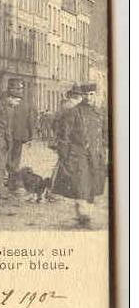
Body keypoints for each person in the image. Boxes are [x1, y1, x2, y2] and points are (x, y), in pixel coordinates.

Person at [52, 84, 107, 227]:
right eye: (86, 94)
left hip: (95, 155)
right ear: (82, 95)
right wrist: (65, 156)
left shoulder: (98, 113)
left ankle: (86, 214)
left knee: (93, 186)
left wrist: (103, 152)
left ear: (95, 95)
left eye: (92, 94)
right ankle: (84, 216)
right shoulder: (74, 112)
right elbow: (64, 135)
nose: (89, 97)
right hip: (78, 155)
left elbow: (105, 135)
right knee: (81, 185)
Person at [6, 78, 36, 190]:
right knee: (15, 157)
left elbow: (30, 120)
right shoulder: (26, 104)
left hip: (9, 135)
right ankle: (13, 178)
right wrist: (30, 136)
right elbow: (30, 121)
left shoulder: (7, 102)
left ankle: (12, 177)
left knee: (8, 157)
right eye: (19, 89)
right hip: (19, 136)